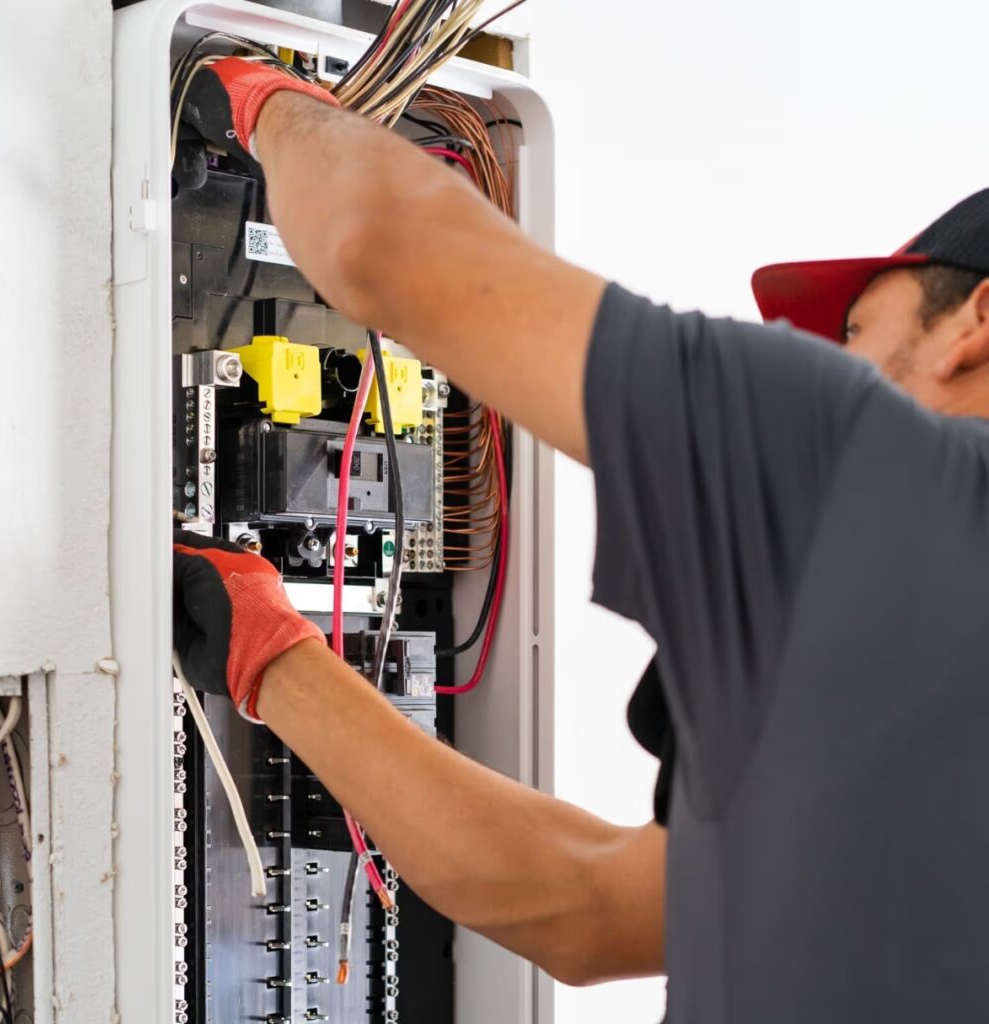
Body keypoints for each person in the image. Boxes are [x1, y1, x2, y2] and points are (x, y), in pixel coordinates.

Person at [173, 58, 989, 1022]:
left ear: (975, 322)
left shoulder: (894, 468)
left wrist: (261, 98)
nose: (834, 366)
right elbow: (581, 909)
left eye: (853, 332)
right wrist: (274, 656)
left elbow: (378, 238)